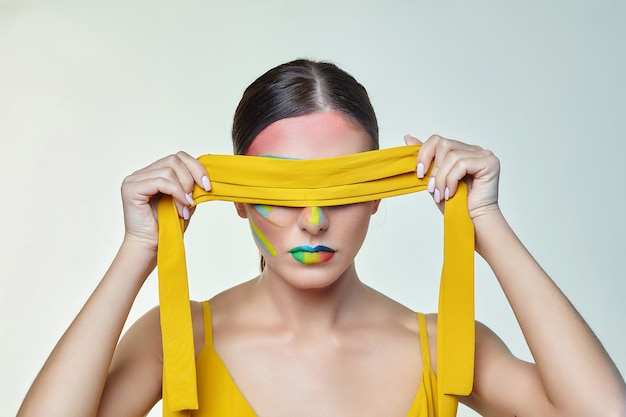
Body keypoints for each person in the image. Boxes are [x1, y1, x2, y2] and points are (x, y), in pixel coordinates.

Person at [17, 59, 626, 417]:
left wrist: (485, 220)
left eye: (340, 188)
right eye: (280, 189)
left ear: (380, 195)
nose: (312, 220)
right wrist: (139, 250)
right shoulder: (177, 338)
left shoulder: (445, 346)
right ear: (236, 200)